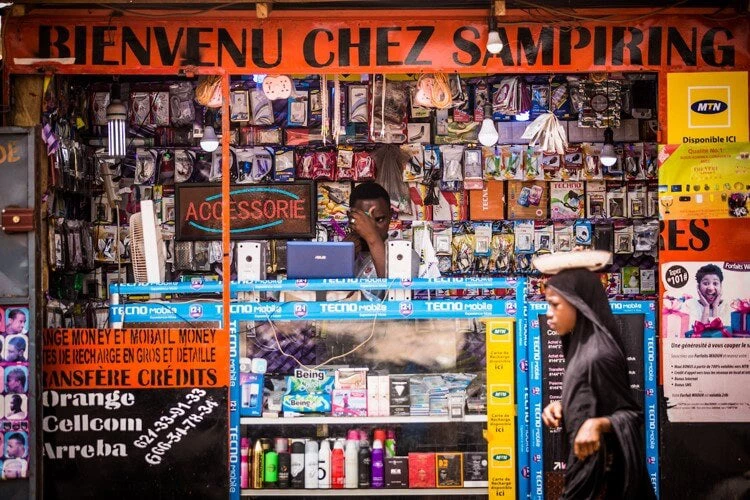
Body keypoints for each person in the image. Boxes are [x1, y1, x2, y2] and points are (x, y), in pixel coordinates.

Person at [541, 268, 655, 499]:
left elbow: (632, 414)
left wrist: (598, 425)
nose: (548, 314)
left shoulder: (599, 355)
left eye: (555, 304)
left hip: (600, 480)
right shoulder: (580, 348)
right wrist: (564, 406)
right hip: (584, 473)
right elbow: (594, 399)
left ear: (579, 304)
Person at [345, 182, 393, 278]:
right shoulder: (339, 252)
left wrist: (372, 237)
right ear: (350, 218)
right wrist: (344, 257)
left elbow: (392, 288)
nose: (371, 228)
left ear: (390, 216)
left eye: (379, 219)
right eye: (363, 221)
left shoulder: (404, 254)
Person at [685, 264, 731, 335]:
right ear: (698, 287)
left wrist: (715, 307)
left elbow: (719, 336)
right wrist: (706, 307)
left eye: (715, 283)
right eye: (706, 283)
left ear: (721, 286)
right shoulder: (689, 305)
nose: (711, 288)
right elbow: (698, 336)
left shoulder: (728, 306)